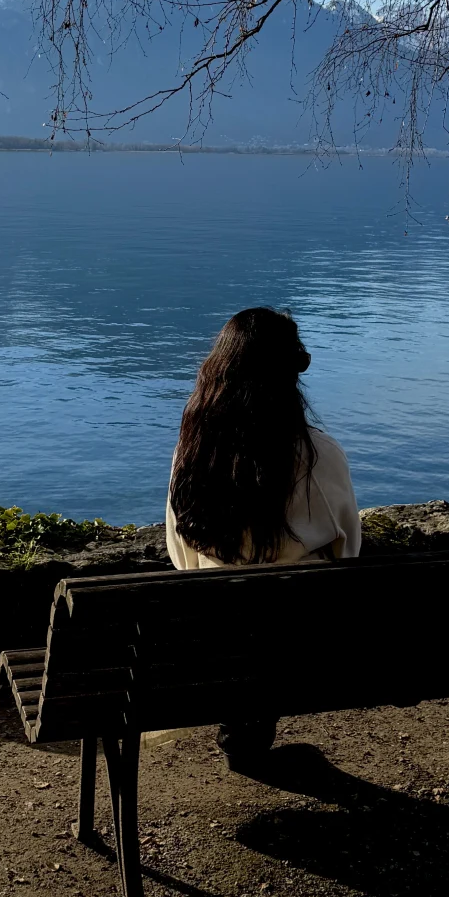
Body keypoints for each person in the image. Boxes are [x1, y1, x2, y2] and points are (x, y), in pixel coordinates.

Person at [166, 306, 361, 768]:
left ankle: (243, 733)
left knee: (235, 614)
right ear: (290, 374)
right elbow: (349, 550)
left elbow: (180, 551)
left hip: (214, 640)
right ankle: (250, 735)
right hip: (303, 646)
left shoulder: (194, 453)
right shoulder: (318, 454)